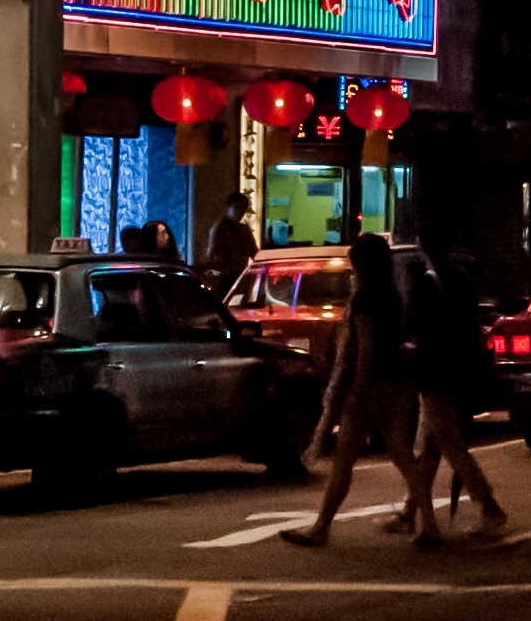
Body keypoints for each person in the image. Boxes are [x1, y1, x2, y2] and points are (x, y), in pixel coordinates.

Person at [279, 234, 435, 548]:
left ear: (360, 265)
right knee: (403, 455)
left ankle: (321, 527)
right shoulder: (392, 294)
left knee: (344, 458)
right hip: (396, 381)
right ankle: (429, 524)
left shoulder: (364, 298)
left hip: (371, 386)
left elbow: (365, 349)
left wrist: (358, 390)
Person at [386, 251, 507, 538]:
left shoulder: (426, 285)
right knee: (429, 447)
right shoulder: (460, 278)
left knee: (449, 444)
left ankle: (489, 507)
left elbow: (413, 327)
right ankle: (410, 512)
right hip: (451, 372)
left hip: (433, 374)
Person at [205, 193, 259, 291]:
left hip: (240, 277)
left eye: (243, 209)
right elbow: (211, 254)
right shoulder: (220, 228)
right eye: (237, 207)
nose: (240, 212)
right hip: (223, 278)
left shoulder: (244, 230)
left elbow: (254, 253)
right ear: (229, 207)